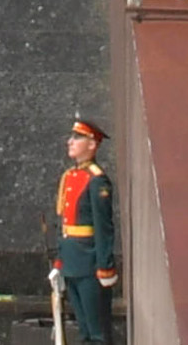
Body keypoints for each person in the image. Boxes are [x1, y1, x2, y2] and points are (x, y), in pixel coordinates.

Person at [48, 117, 123, 345]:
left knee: (98, 332)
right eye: (72, 137)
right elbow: (65, 226)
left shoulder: (97, 181)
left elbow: (104, 228)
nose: (70, 141)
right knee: (84, 332)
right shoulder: (71, 177)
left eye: (77, 138)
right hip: (72, 262)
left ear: (92, 144)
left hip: (91, 264)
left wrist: (105, 266)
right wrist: (60, 261)